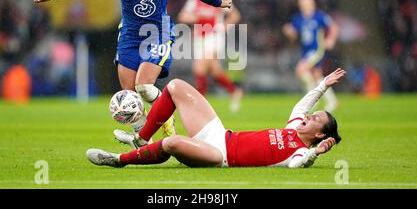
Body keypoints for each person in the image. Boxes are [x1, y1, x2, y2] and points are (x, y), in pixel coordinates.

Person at [32, 0, 232, 136]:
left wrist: (216, 2)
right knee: (128, 97)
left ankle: (167, 120)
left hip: (158, 32)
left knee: (144, 86)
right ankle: (143, 138)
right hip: (129, 34)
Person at [86, 68, 345, 168]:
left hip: (217, 155)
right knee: (175, 86)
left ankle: (119, 160)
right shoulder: (294, 127)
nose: (308, 116)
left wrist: (316, 153)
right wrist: (323, 85)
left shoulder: (298, 153)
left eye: (315, 119)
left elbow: (297, 166)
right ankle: (142, 139)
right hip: (220, 135)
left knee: (172, 142)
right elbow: (302, 105)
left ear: (320, 134)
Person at [177, 0, 243, 112]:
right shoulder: (194, 1)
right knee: (214, 70)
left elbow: (235, 15)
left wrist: (225, 26)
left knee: (199, 66)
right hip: (199, 38)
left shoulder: (220, 1)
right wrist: (194, 17)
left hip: (214, 36)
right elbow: (182, 17)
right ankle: (234, 91)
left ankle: (200, 104)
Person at [283, 0, 340, 112]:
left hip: (316, 50)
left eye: (307, 2)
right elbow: (294, 35)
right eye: (303, 2)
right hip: (305, 51)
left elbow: (333, 27)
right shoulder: (298, 18)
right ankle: (332, 101)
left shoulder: (319, 16)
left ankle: (312, 101)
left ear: (312, 3)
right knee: (316, 75)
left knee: (300, 70)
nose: (305, 5)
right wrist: (288, 31)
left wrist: (330, 39)